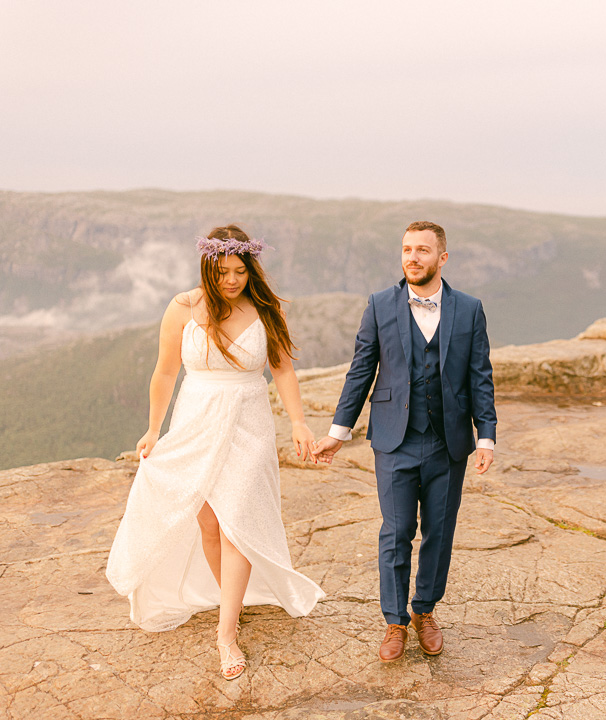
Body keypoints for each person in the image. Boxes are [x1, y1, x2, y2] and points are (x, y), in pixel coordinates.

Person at [106, 225, 325, 681]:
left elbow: (282, 370)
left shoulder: (263, 308)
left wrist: (299, 422)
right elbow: (165, 372)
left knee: (237, 524)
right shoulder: (183, 307)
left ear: (251, 269)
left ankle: (227, 633)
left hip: (248, 420)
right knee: (208, 522)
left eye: (240, 272)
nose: (232, 280)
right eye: (223, 272)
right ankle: (233, 601)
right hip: (195, 418)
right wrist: (152, 430)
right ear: (208, 267)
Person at [313, 220, 496, 662]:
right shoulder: (380, 305)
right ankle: (394, 622)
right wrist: (340, 431)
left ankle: (425, 611)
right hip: (393, 440)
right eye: (406, 249)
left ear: (441, 258)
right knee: (396, 533)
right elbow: (361, 371)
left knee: (439, 532)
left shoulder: (469, 309)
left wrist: (485, 435)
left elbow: (480, 376)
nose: (412, 257)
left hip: (448, 442)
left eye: (422, 250)